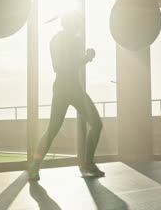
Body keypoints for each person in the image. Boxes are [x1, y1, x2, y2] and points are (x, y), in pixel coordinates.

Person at [28, 11, 104, 181]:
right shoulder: (63, 41)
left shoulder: (59, 40)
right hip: (68, 89)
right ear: (71, 24)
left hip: (67, 88)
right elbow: (60, 66)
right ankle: (87, 164)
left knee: (54, 130)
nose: (79, 27)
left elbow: (62, 66)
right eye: (78, 23)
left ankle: (36, 166)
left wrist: (84, 58)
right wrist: (87, 58)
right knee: (92, 125)